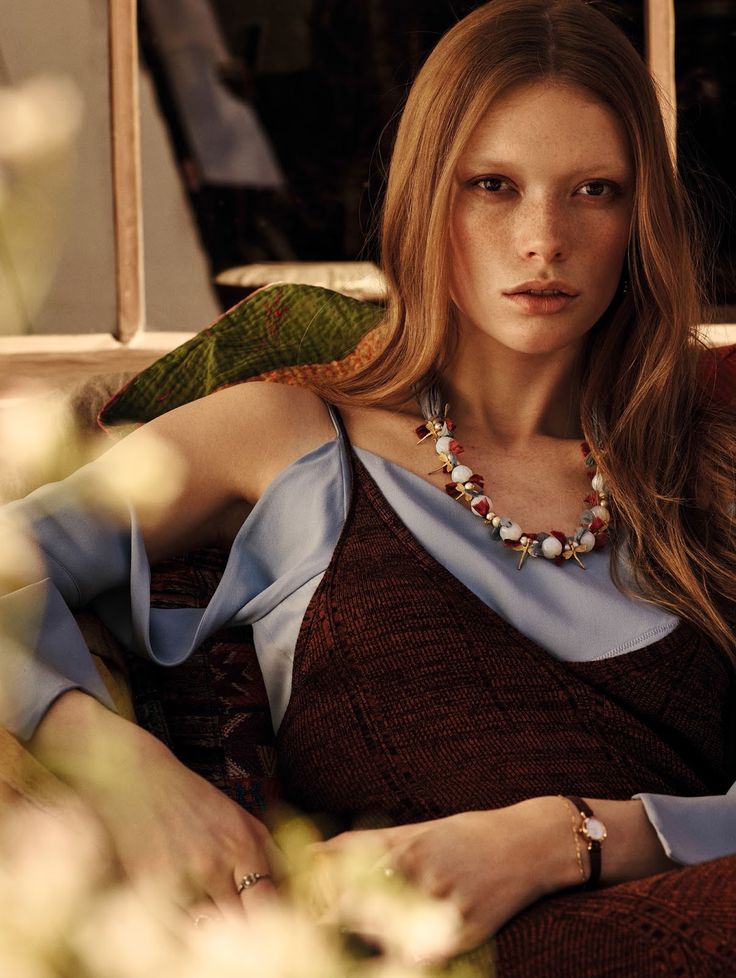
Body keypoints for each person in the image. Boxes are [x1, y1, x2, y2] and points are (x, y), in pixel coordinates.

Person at [2, 0, 736, 973]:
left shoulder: (707, 466)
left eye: (592, 189)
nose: (542, 238)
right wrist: (133, 773)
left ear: (639, 216)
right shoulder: (290, 437)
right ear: (427, 199)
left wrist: (563, 839)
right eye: (492, 185)